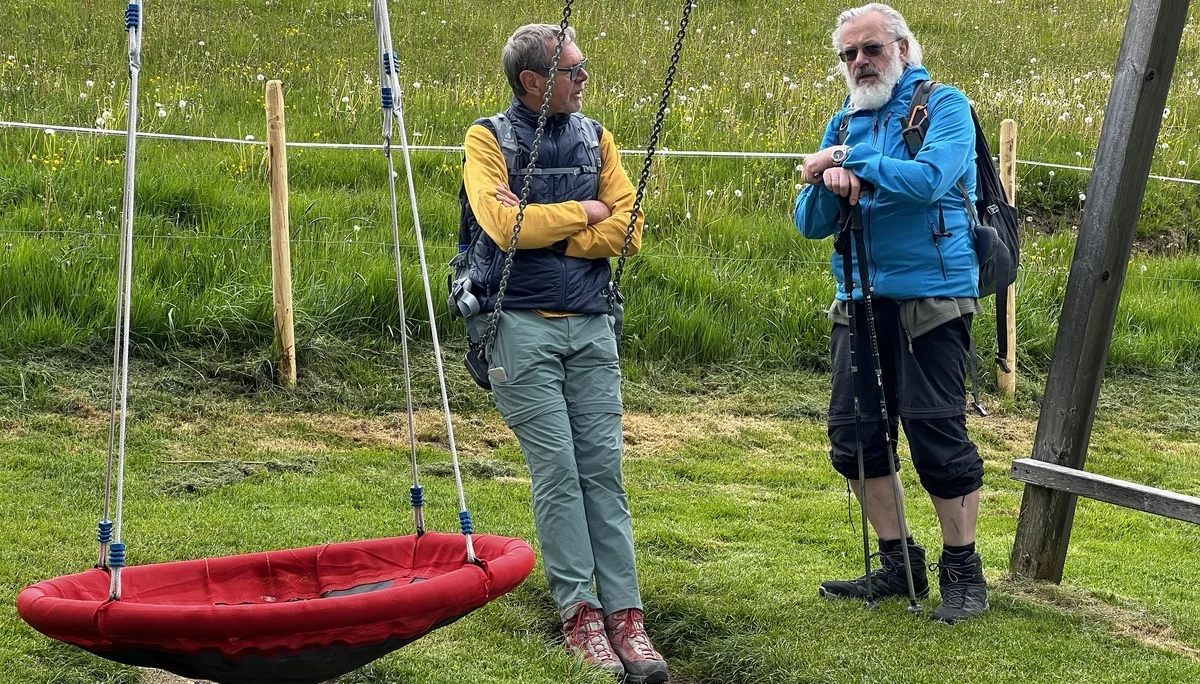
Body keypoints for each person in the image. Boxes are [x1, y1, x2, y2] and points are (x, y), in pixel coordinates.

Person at [458, 23, 668, 683]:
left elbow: (630, 231)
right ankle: (581, 613)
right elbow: (503, 226)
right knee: (559, 473)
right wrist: (586, 209)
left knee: (603, 472)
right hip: (517, 326)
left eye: (582, 68)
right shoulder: (486, 139)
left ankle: (627, 618)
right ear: (532, 82)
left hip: (591, 325)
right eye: (574, 70)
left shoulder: (596, 136)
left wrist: (559, 228)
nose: (584, 79)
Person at [794, 3, 989, 625]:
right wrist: (830, 186)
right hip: (857, 298)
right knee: (855, 439)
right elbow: (808, 222)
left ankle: (964, 573)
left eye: (871, 49)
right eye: (848, 54)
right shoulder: (842, 122)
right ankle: (896, 563)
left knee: (936, 432)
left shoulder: (945, 105)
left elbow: (933, 178)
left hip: (933, 296)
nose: (859, 63)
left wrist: (854, 167)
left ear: (903, 48)